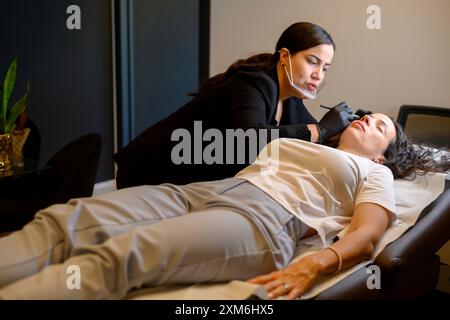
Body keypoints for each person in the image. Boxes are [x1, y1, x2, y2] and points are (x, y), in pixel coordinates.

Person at [1, 113, 447, 300]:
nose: (366, 118)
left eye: (381, 125)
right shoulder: (307, 143)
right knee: (67, 219)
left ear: (382, 154)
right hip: (207, 191)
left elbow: (368, 236)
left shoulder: (375, 174)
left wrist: (316, 265)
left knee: (120, 255)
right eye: (366, 115)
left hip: (261, 220)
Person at [113, 22, 359, 188]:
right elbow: (249, 139)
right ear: (285, 56)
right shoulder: (252, 83)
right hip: (151, 170)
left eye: (325, 68)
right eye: (313, 62)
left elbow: (316, 139)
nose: (319, 75)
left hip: (194, 177)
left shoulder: (291, 102)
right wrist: (322, 130)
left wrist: (351, 127)